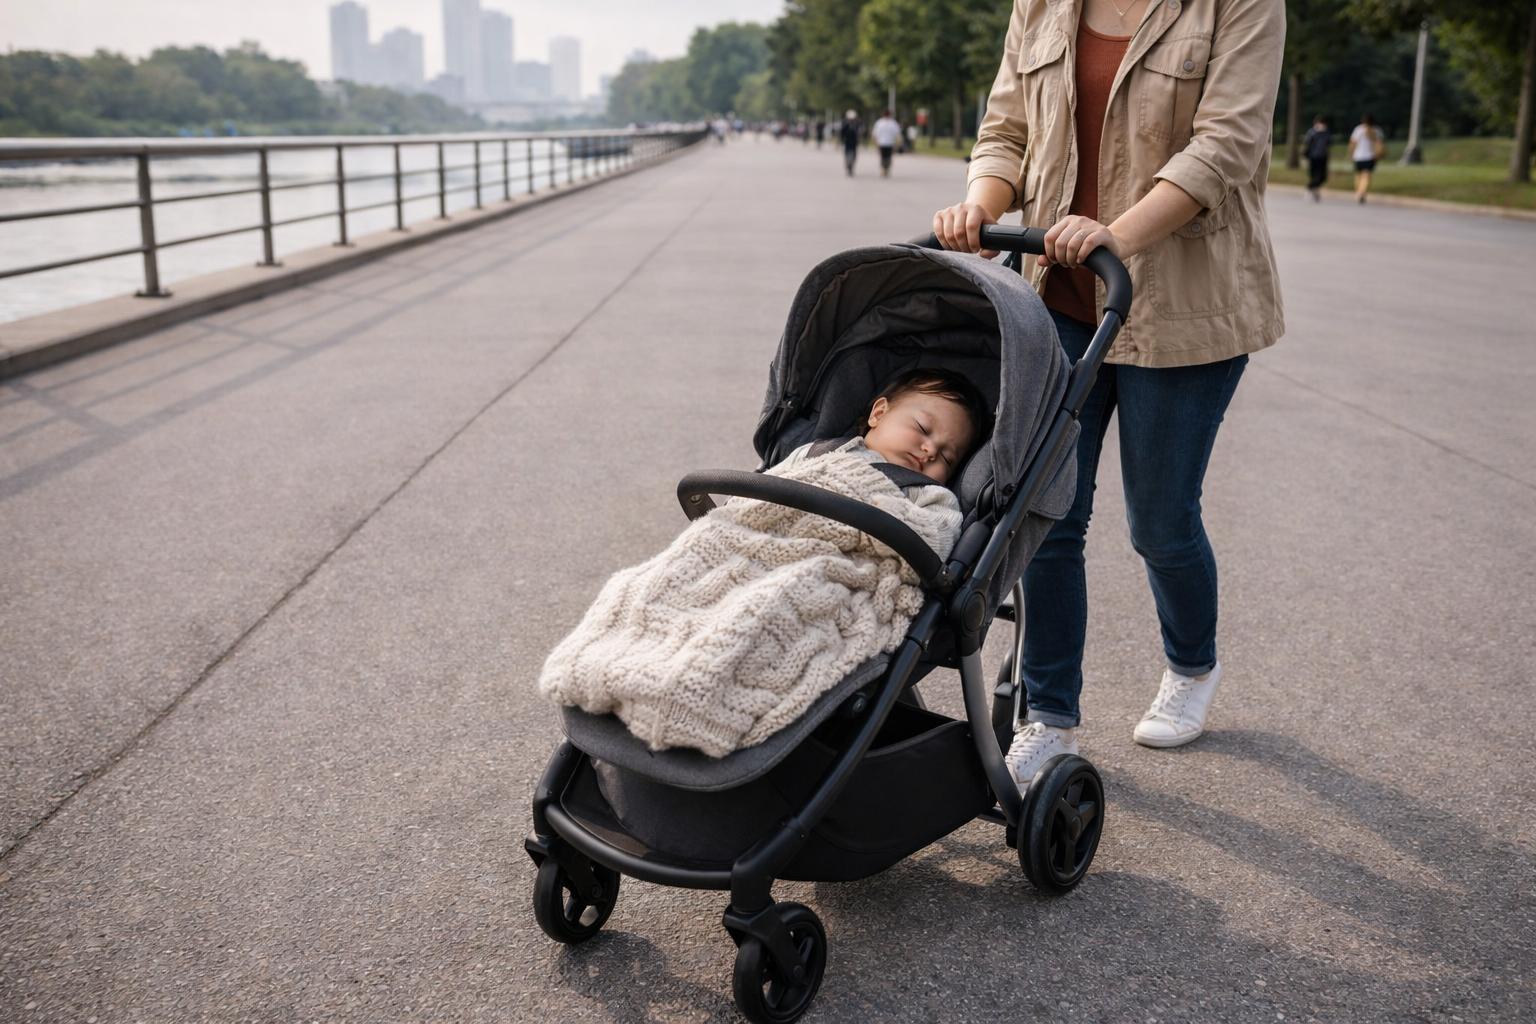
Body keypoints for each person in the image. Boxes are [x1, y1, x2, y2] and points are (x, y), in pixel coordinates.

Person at [932, 0, 1285, 788]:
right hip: (1056, 303)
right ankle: (1049, 719)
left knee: (1161, 521)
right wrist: (981, 209)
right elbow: (1007, 130)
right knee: (1048, 516)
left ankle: (1192, 667)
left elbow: (1225, 144)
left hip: (1185, 309)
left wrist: (1116, 234)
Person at [1349, 113, 1384, 203]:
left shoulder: (1359, 129)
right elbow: (1380, 143)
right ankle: (1362, 193)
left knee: (1358, 175)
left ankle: (1358, 192)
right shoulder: (1377, 130)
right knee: (1366, 176)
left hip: (1358, 156)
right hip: (1370, 156)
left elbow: (1353, 142)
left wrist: (1350, 154)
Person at [1302, 114, 1333, 201]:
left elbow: (1328, 145)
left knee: (1320, 176)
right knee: (1316, 175)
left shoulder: (1324, 132)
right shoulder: (1314, 132)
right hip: (1315, 156)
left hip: (1320, 156)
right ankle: (1311, 189)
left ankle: (1312, 188)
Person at [872, 109, 903, 177]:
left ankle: (883, 169)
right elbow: (897, 134)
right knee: (889, 156)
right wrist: (898, 143)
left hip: (881, 143)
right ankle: (887, 168)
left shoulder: (879, 123)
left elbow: (875, 134)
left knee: (883, 156)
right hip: (890, 143)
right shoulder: (893, 123)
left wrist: (875, 142)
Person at [839, 110, 861, 176]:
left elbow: (859, 133)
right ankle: (847, 166)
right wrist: (841, 140)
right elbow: (842, 133)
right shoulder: (845, 124)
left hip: (854, 142)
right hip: (847, 141)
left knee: (854, 155)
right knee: (846, 155)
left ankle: (852, 168)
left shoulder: (856, 124)